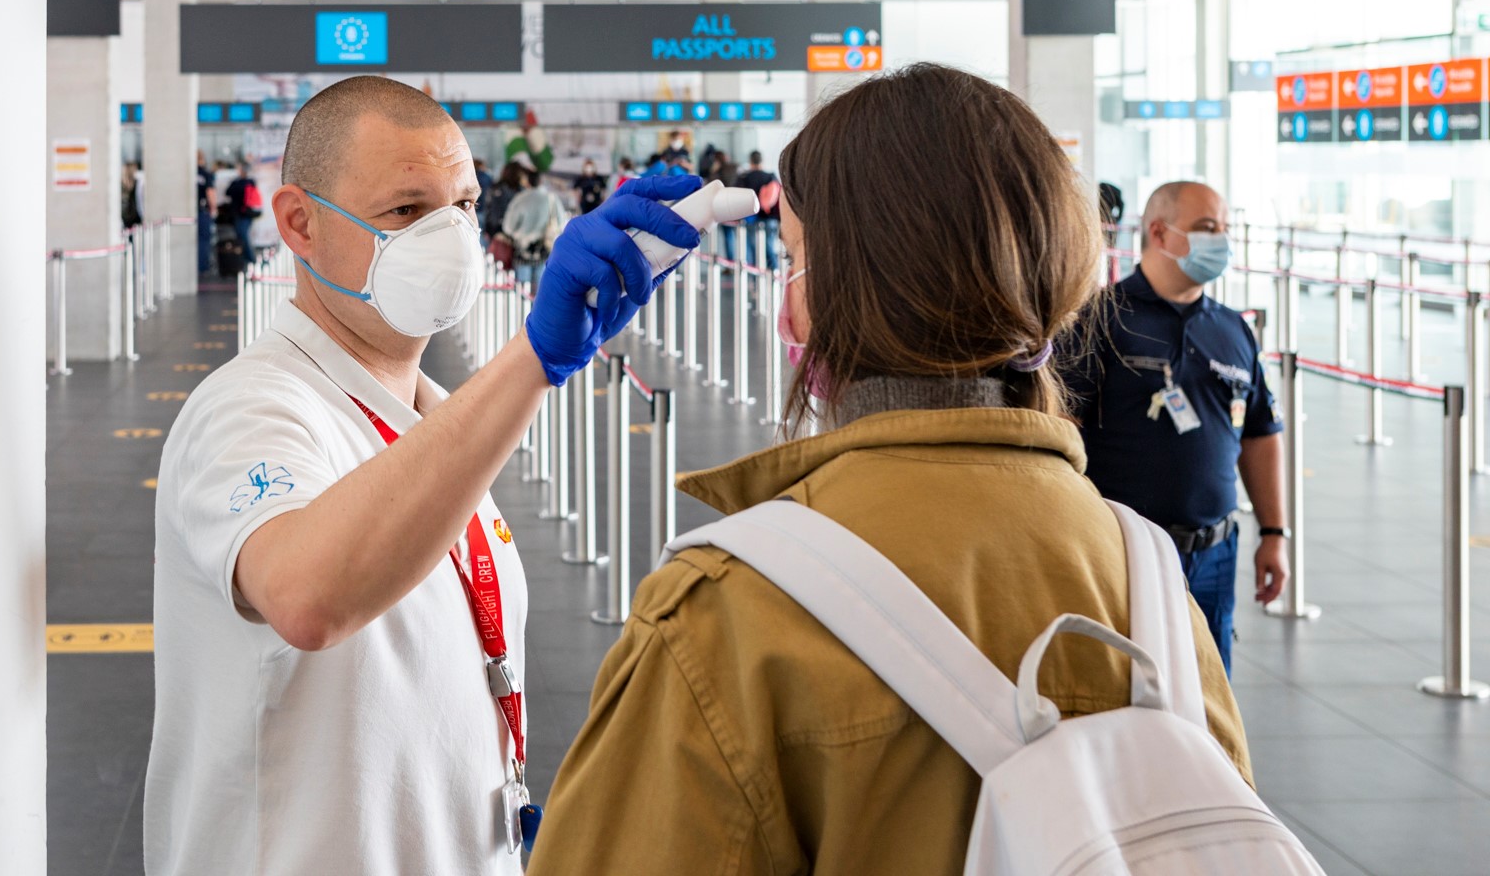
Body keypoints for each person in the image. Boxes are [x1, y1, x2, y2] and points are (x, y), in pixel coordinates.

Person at [532, 64, 1249, 875]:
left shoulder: (724, 619)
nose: (788, 300)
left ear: (833, 296)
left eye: (797, 260)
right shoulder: (1153, 591)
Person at [145, 75, 703, 876]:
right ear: (300, 224)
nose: (449, 238)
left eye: (465, 206)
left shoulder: (430, 424)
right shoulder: (249, 409)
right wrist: (531, 362)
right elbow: (308, 595)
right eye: (407, 212)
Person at [1062, 181, 1287, 677]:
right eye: (1208, 228)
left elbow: (1259, 432)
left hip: (1215, 554)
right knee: (1124, 690)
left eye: (1225, 229)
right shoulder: (1101, 317)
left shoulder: (1233, 329)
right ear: (1159, 233)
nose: (1221, 241)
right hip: (1126, 553)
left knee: (1209, 695)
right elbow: (1063, 431)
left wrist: (1273, 532)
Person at [502, 168, 563, 291]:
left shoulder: (519, 199)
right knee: (543, 291)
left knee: (522, 292)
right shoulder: (551, 198)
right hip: (545, 249)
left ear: (527, 182)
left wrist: (520, 234)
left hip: (523, 252)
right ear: (541, 182)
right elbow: (561, 222)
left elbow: (508, 227)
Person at [734, 150, 780, 270]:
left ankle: (755, 279)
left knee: (753, 248)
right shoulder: (770, 176)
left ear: (750, 161)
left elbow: (738, 197)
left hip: (751, 217)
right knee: (769, 246)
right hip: (770, 217)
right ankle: (774, 274)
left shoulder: (744, 177)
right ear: (761, 161)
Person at [223, 159, 262, 267]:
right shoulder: (250, 182)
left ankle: (250, 260)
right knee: (243, 237)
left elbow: (228, 192)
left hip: (240, 214)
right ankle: (247, 259)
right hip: (246, 214)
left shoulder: (239, 183)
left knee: (242, 237)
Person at [197, 151, 215, 274]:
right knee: (204, 239)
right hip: (202, 211)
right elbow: (210, 192)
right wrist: (213, 208)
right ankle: (202, 266)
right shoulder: (205, 174)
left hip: (187, 213)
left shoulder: (186, 173)